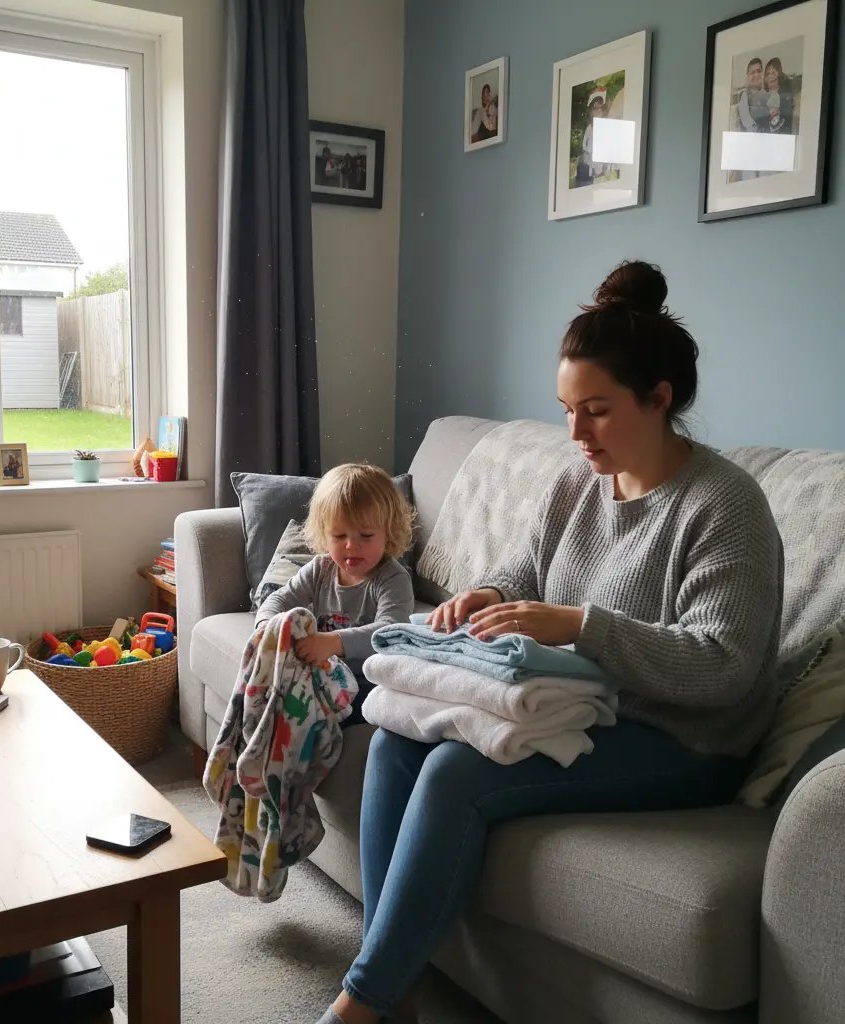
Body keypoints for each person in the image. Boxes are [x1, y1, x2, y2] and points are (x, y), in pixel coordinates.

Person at [312, 261, 784, 1024]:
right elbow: (523, 567)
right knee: (398, 736)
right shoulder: (578, 484)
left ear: (659, 400)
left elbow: (722, 666)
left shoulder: (724, 506)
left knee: (457, 772)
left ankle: (358, 1007)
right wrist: (489, 594)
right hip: (574, 703)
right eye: (566, 409)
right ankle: (388, 989)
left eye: (595, 411)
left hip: (682, 739)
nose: (575, 433)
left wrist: (581, 625)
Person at [255, 463, 415, 727]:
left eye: (365, 535)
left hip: (368, 683)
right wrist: (266, 626)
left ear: (389, 533)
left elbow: (391, 631)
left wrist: (333, 642)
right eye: (339, 536)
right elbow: (279, 598)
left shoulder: (392, 578)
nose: (351, 545)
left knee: (312, 721)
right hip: (322, 676)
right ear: (324, 534)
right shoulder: (321, 568)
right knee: (270, 700)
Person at [737, 56, 768, 132]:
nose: (756, 75)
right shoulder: (744, 95)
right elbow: (746, 119)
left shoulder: (768, 94)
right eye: (752, 72)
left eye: (759, 71)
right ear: (748, 75)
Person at [764, 57, 793, 135]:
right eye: (767, 74)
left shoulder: (784, 93)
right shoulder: (763, 94)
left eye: (773, 73)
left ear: (779, 74)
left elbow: (787, 118)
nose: (770, 76)